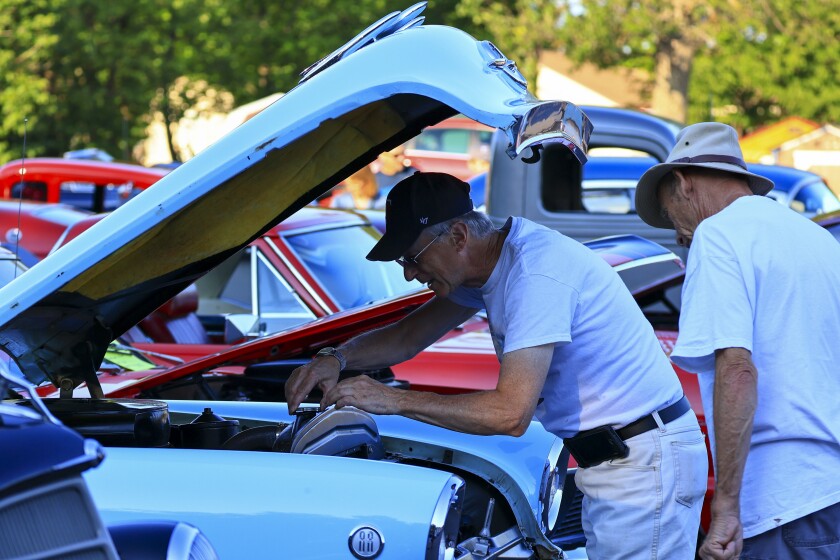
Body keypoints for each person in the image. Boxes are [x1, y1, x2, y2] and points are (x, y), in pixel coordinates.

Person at [287, 171, 707, 558]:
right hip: (621, 462)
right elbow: (407, 336)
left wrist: (391, 401)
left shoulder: (534, 274)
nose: (411, 275)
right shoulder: (487, 264)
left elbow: (510, 414)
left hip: (642, 465)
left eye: (413, 258)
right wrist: (335, 358)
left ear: (457, 235)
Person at [634, 122, 840, 560]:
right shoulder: (817, 239)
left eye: (670, 214)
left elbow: (737, 370)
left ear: (683, 183)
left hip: (784, 503)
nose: (677, 233)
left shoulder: (719, 234)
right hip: (829, 490)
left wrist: (725, 505)